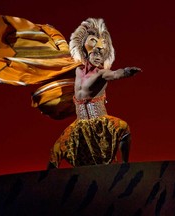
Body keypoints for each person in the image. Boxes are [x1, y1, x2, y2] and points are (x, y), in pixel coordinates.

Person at [48, 18, 141, 168]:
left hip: (100, 124)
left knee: (124, 129)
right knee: (57, 150)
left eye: (102, 55)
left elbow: (115, 74)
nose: (99, 57)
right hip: (79, 126)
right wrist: (52, 36)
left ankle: (125, 165)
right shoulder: (78, 70)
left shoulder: (101, 73)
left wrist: (126, 71)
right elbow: (61, 56)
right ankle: (48, 183)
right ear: (87, 54)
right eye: (96, 53)